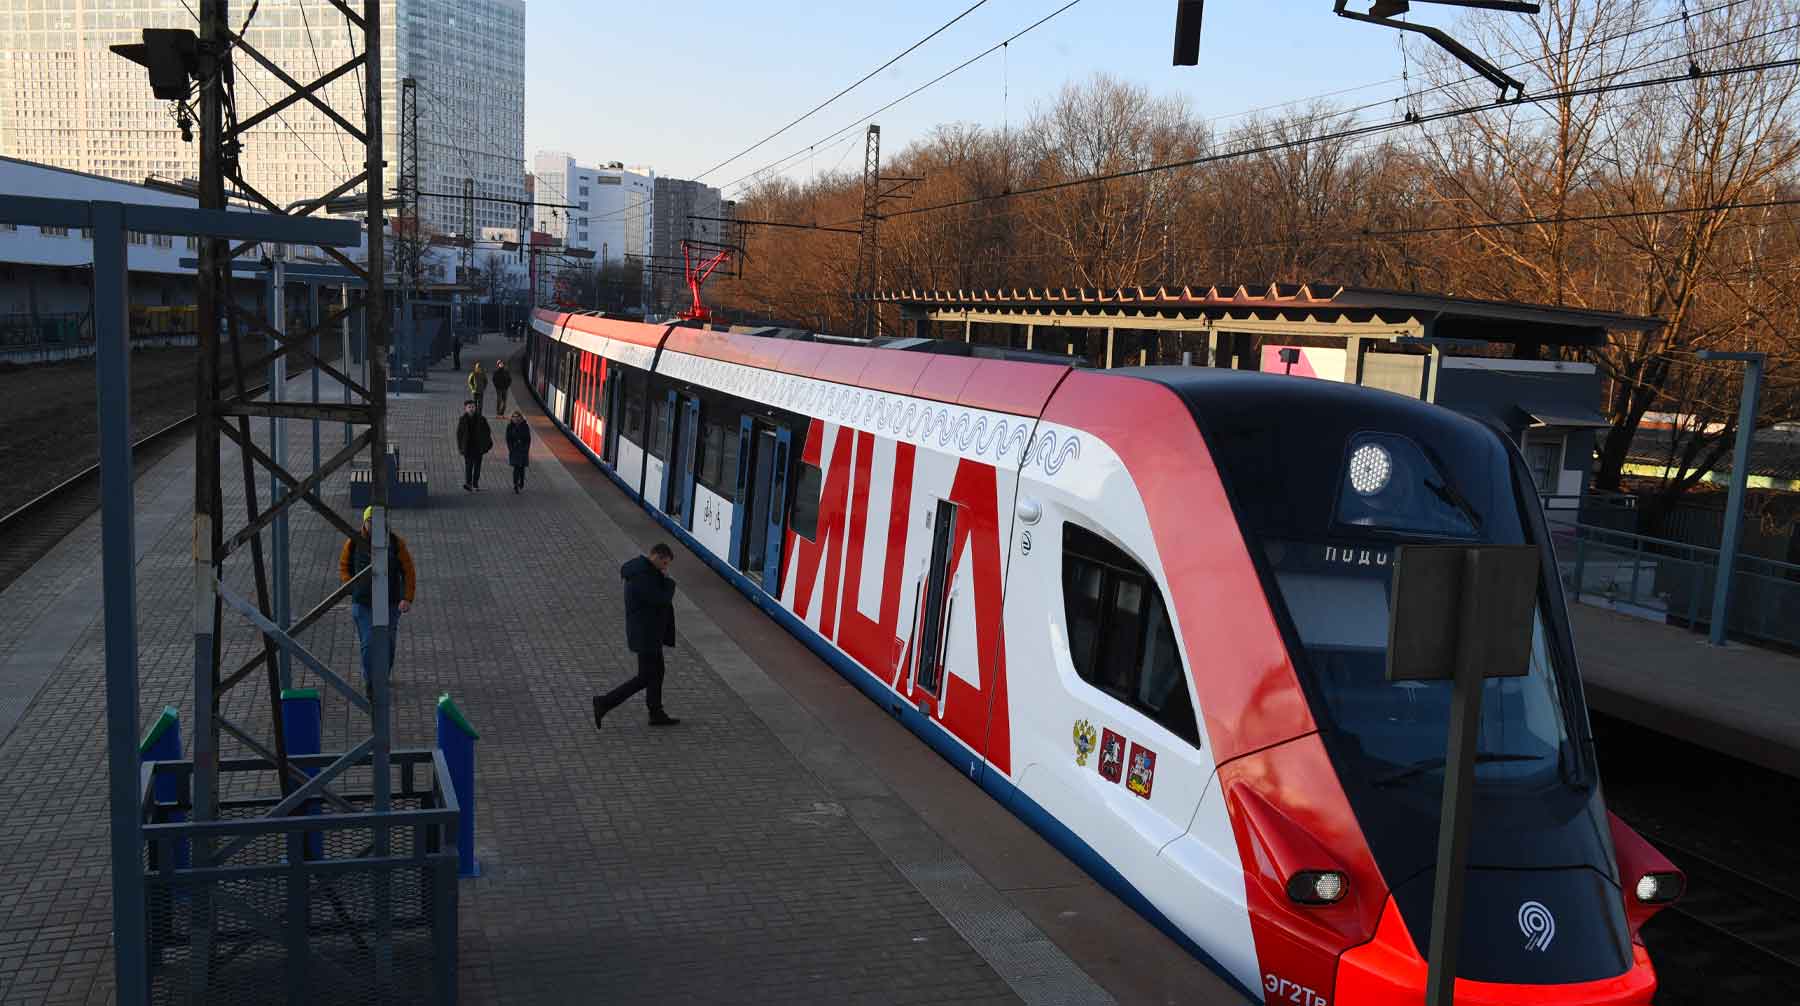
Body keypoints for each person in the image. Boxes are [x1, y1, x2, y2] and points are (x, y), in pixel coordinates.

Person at [594, 543, 681, 729]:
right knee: (645, 677)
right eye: (664, 563)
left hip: (648, 631)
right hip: (646, 634)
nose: (665, 568)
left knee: (657, 672)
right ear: (656, 557)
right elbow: (660, 599)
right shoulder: (643, 576)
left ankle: (656, 712)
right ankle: (604, 702)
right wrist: (669, 582)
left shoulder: (643, 570)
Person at [340, 506, 416, 689]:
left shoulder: (396, 543)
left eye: (378, 522)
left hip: (390, 602)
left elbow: (408, 571)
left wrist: (407, 597)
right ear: (364, 523)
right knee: (369, 642)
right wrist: (350, 585)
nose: (375, 526)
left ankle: (383, 674)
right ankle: (371, 681)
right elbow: (344, 566)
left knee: (388, 642)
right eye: (371, 522)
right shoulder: (353, 543)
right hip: (363, 603)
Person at [455, 398, 494, 491]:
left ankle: (475, 484)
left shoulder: (481, 419)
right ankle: (468, 483)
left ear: (475, 408)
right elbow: (459, 434)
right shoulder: (462, 420)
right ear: (465, 409)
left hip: (478, 448)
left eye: (473, 407)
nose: (471, 408)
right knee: (468, 466)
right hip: (467, 448)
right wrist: (460, 447)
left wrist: (485, 444)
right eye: (469, 407)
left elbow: (487, 431)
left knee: (477, 467)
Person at [505, 410, 530, 493]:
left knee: (521, 468)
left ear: (521, 417)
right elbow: (508, 439)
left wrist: (526, 449)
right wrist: (510, 448)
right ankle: (515, 484)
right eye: (514, 417)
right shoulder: (510, 427)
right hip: (514, 450)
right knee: (516, 467)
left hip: (523, 450)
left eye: (517, 417)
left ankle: (521, 481)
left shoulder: (525, 426)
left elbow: (528, 439)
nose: (516, 418)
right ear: (512, 418)